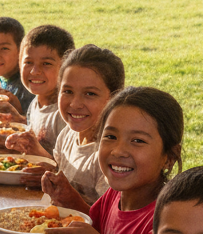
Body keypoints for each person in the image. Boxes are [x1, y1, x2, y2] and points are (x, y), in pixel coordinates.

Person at [46, 87, 184, 234]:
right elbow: (94, 228)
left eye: (138, 141)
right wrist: (68, 200)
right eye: (110, 137)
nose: (118, 150)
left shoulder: (165, 223)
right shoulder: (114, 195)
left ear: (168, 157)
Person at [8, 44, 125, 206]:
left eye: (90, 94)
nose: (75, 104)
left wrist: (72, 199)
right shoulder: (67, 136)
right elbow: (65, 177)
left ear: (114, 98)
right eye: (67, 91)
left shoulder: (112, 157)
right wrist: (51, 174)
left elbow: (110, 224)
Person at [9, 24, 75, 154]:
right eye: (28, 62)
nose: (35, 71)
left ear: (66, 67)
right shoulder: (35, 104)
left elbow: (69, 170)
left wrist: (39, 153)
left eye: (46, 64)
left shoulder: (66, 115)